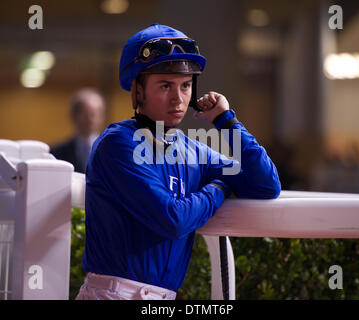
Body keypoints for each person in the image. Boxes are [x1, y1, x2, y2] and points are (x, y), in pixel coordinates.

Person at [75, 24, 281, 300]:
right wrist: (219, 188)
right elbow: (172, 219)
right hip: (113, 294)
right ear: (138, 91)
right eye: (165, 86)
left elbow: (267, 184)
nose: (179, 98)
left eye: (185, 86)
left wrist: (227, 121)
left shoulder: (192, 149)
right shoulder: (118, 143)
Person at [50, 88, 106, 173]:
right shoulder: (55, 154)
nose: (90, 120)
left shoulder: (113, 152)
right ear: (73, 116)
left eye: (93, 114)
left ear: (102, 117)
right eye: (85, 114)